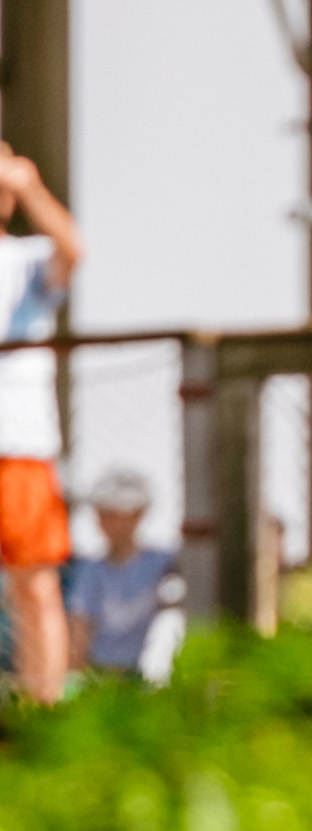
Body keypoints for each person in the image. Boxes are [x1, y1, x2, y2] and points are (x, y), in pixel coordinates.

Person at [0, 142, 81, 705]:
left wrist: (30, 186)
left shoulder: (27, 260)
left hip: (20, 442)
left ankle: (43, 705)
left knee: (35, 583)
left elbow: (73, 250)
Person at [67, 468, 177, 673]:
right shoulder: (90, 571)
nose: (102, 520)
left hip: (148, 668)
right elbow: (79, 627)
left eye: (112, 514)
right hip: (100, 671)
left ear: (138, 514)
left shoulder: (163, 563)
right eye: (100, 512)